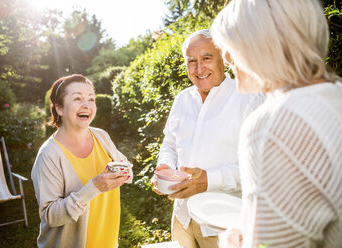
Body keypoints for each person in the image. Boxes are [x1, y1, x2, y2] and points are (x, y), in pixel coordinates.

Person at [210, 0, 342, 247]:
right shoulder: (335, 97)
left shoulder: (273, 125)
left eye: (231, 45)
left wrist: (231, 243)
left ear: (262, 45)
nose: (225, 58)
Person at [152, 29, 264, 248]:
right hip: (182, 217)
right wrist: (164, 165)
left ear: (224, 58)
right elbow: (170, 143)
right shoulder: (182, 99)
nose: (199, 68)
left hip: (225, 223)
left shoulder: (248, 98)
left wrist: (209, 180)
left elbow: (260, 165)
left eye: (207, 58)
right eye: (191, 61)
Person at [31, 74, 132, 248]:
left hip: (107, 241)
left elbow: (123, 165)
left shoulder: (101, 136)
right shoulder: (49, 155)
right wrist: (94, 188)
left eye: (91, 99)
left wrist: (125, 173)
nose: (86, 105)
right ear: (59, 108)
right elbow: (51, 216)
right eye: (77, 98)